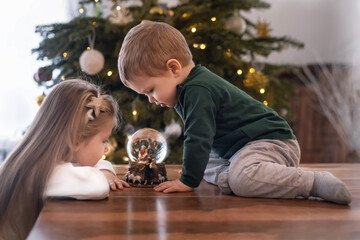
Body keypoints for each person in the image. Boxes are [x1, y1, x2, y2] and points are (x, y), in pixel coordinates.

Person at [117, 20, 352, 205]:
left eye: (151, 90)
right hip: (238, 149)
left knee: (239, 179)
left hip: (271, 141)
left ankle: (313, 182)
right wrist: (193, 170)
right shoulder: (187, 87)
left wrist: (188, 181)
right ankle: (238, 174)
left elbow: (198, 137)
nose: (150, 99)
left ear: (173, 68)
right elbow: (203, 143)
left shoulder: (197, 90)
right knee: (204, 162)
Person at [0, 79, 130, 240]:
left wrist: (104, 168)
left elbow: (96, 166)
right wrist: (103, 173)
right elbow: (97, 185)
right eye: (104, 140)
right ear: (76, 139)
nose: (106, 149)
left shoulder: (33, 161)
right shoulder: (49, 173)